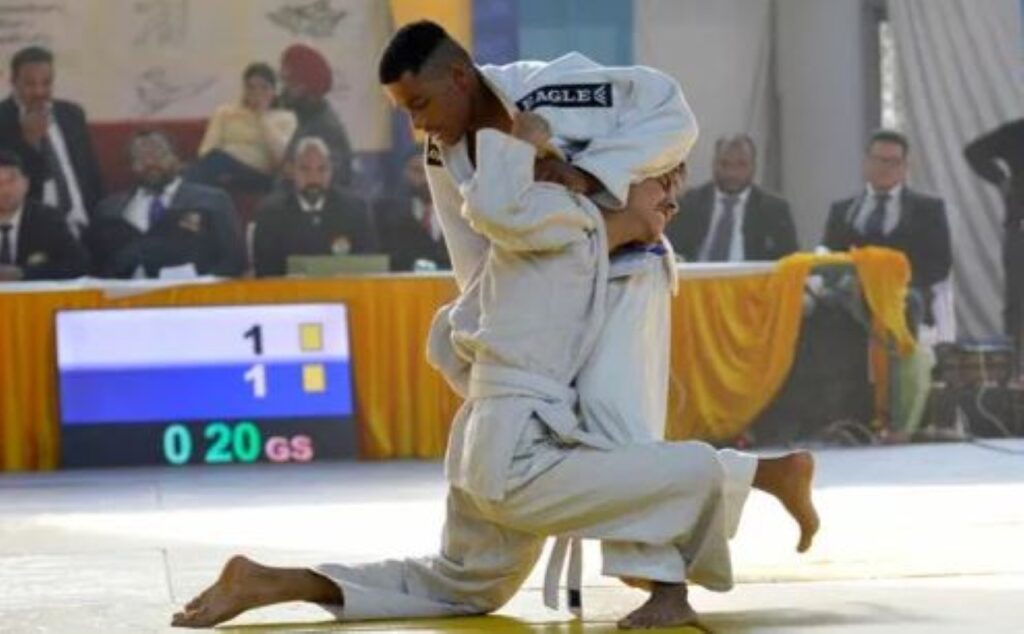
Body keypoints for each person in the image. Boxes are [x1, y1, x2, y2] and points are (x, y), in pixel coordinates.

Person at [173, 22, 818, 631]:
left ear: (460, 77)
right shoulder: (444, 155)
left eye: (421, 103)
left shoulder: (546, 92)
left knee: (617, 428)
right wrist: (497, 334)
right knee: (471, 581)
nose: (418, 124)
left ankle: (666, 581)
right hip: (535, 325)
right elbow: (483, 251)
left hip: (624, 277)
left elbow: (670, 113)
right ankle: (280, 581)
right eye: (406, 111)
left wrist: (591, 175)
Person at [821, 129, 952, 326]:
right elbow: (829, 256)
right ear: (866, 163)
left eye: (894, 162)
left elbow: (940, 264)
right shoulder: (842, 210)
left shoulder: (928, 209)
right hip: (851, 294)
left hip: (904, 295)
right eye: (879, 160)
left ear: (905, 167)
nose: (886, 168)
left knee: (907, 303)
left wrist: (894, 283)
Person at [85, 129, 245, 279]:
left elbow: (233, 258)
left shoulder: (211, 200)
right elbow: (98, 264)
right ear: (131, 165)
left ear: (177, 159)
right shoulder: (109, 210)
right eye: (140, 157)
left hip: (195, 297)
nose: (150, 162)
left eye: (159, 154)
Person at [0, 46, 103, 235]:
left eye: (46, 83)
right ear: (13, 83)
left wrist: (99, 216)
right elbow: (10, 188)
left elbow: (91, 173)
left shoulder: (71, 114)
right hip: (33, 229)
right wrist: (30, 143)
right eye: (30, 84)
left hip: (83, 221)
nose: (40, 92)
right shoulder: (3, 120)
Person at [251, 136, 376, 277]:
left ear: (331, 171)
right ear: (291, 171)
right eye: (305, 169)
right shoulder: (271, 213)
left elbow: (368, 264)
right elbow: (264, 270)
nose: (313, 178)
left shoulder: (354, 209)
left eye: (322, 169)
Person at [667, 134, 798, 262]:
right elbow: (670, 254)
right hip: (697, 281)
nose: (732, 173)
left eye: (741, 164)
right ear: (713, 164)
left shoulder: (775, 209)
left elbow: (791, 261)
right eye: (724, 164)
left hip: (751, 281)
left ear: (753, 166)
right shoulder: (687, 203)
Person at [184, 63, 297, 194]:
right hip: (221, 167)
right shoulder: (225, 112)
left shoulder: (286, 117)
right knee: (211, 163)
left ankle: (174, 199)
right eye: (251, 88)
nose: (257, 93)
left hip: (258, 175)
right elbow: (206, 151)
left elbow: (282, 158)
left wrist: (261, 117)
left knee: (210, 166)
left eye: (264, 88)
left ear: (274, 91)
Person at [964, 119, 1024, 354]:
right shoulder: (1017, 131)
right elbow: (974, 152)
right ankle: (1017, 366)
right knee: (1018, 299)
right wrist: (1000, 179)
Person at [0, 149, 88, 281]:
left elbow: (78, 265)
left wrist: (23, 273)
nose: (5, 190)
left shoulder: (48, 219)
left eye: (11, 181)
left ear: (26, 183)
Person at [279, 44, 354, 189]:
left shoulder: (325, 128)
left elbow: (333, 180)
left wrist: (295, 171)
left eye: (290, 82)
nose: (284, 90)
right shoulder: (307, 120)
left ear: (305, 87)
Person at [374, 147, 450, 271]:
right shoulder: (387, 214)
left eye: (432, 170)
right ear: (405, 172)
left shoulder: (462, 211)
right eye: (418, 171)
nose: (426, 178)